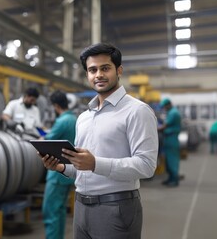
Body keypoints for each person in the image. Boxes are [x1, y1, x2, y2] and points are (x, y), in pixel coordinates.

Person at [40, 43, 158, 239]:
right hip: (81, 207)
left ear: (119, 70)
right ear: (87, 74)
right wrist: (61, 167)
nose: (98, 75)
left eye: (105, 68)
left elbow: (146, 165)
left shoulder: (137, 111)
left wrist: (95, 163)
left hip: (116, 208)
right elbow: (82, 168)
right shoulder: (84, 118)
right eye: (92, 70)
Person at [42, 90, 76, 239]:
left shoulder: (62, 121)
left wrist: (41, 137)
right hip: (69, 171)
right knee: (60, 210)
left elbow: (47, 140)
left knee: (50, 211)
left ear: (56, 106)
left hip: (56, 172)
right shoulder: (74, 119)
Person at [158, 98, 182, 187]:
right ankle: (170, 178)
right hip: (168, 138)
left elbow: (165, 125)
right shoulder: (171, 112)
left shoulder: (173, 113)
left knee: (172, 160)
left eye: (164, 106)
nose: (164, 108)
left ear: (168, 105)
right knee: (168, 160)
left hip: (172, 139)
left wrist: (154, 128)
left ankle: (174, 180)